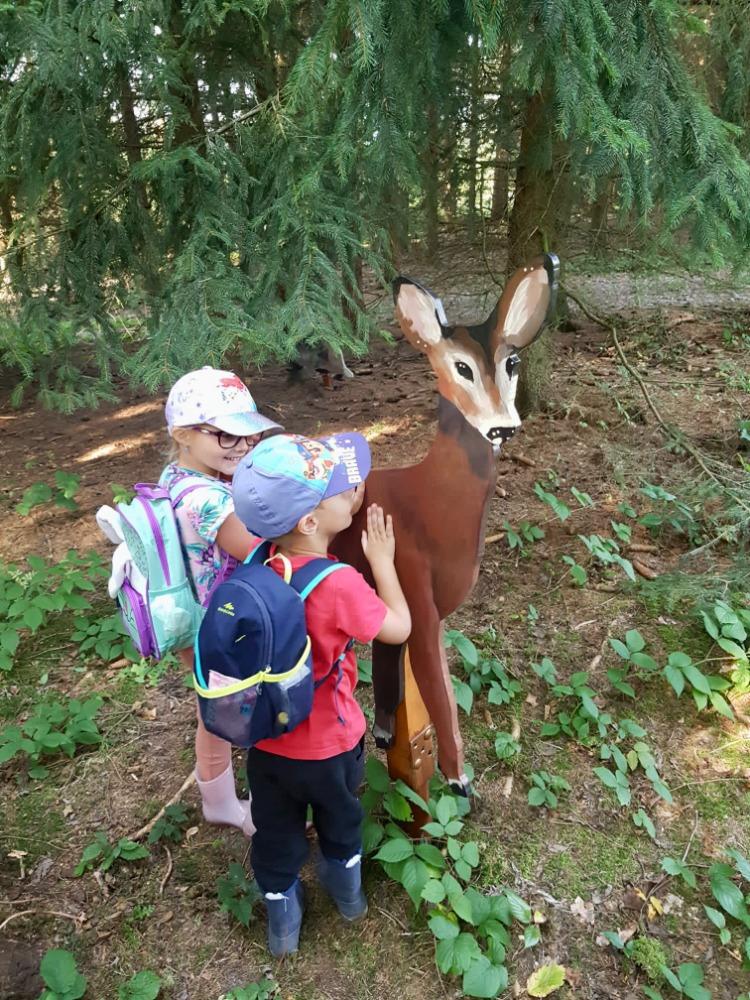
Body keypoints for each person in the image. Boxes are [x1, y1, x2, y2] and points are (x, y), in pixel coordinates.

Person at [232, 432, 411, 956]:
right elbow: (398, 628)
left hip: (266, 745)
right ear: (311, 522)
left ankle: (282, 923)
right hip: (330, 746)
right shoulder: (339, 584)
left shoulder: (259, 562)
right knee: (340, 818)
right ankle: (347, 893)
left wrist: (345, 500)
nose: (352, 489)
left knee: (275, 832)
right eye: (339, 487)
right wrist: (382, 560)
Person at [161, 366, 281, 837]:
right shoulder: (207, 500)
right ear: (182, 434)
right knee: (226, 712)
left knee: (212, 710)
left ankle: (220, 800)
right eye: (226, 435)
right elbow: (257, 548)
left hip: (201, 617)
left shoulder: (180, 474)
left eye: (249, 434)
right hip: (221, 627)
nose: (243, 446)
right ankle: (230, 803)